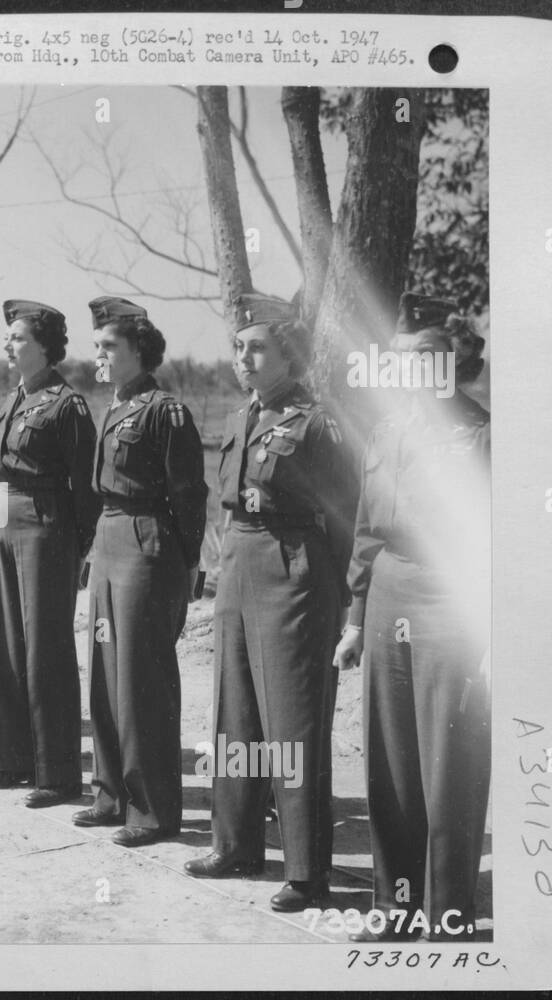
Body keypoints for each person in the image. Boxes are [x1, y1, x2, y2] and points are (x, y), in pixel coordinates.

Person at [185, 292, 358, 913]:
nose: (244, 358)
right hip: (239, 564)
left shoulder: (317, 423)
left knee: (292, 721)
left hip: (295, 570)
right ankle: (234, 843)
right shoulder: (240, 419)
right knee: (236, 713)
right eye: (238, 347)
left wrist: (342, 601)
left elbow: (343, 517)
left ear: (291, 353)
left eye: (257, 347)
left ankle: (308, 872)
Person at [333, 292, 492, 941]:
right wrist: (355, 616)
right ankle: (395, 905)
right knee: (392, 764)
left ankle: (448, 914)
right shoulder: (389, 431)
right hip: (391, 593)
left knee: (449, 763)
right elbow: (367, 531)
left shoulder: (479, 432)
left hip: (453, 598)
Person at [74, 297, 207, 846]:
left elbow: (189, 496)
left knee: (140, 678)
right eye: (98, 345)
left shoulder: (164, 410)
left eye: (109, 346)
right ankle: (111, 793)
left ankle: (151, 810)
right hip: (108, 539)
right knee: (105, 673)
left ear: (139, 352)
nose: (99, 354)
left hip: (145, 542)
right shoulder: (112, 405)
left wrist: (187, 562)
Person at [0, 299, 99, 807]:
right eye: (9, 337)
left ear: (45, 347)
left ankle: (57, 773)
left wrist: (78, 549)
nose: (9, 344)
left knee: (45, 649)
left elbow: (85, 490)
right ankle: (15, 760)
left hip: (46, 528)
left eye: (19, 337)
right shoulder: (12, 400)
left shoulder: (65, 405)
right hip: (6, 525)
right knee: (7, 643)